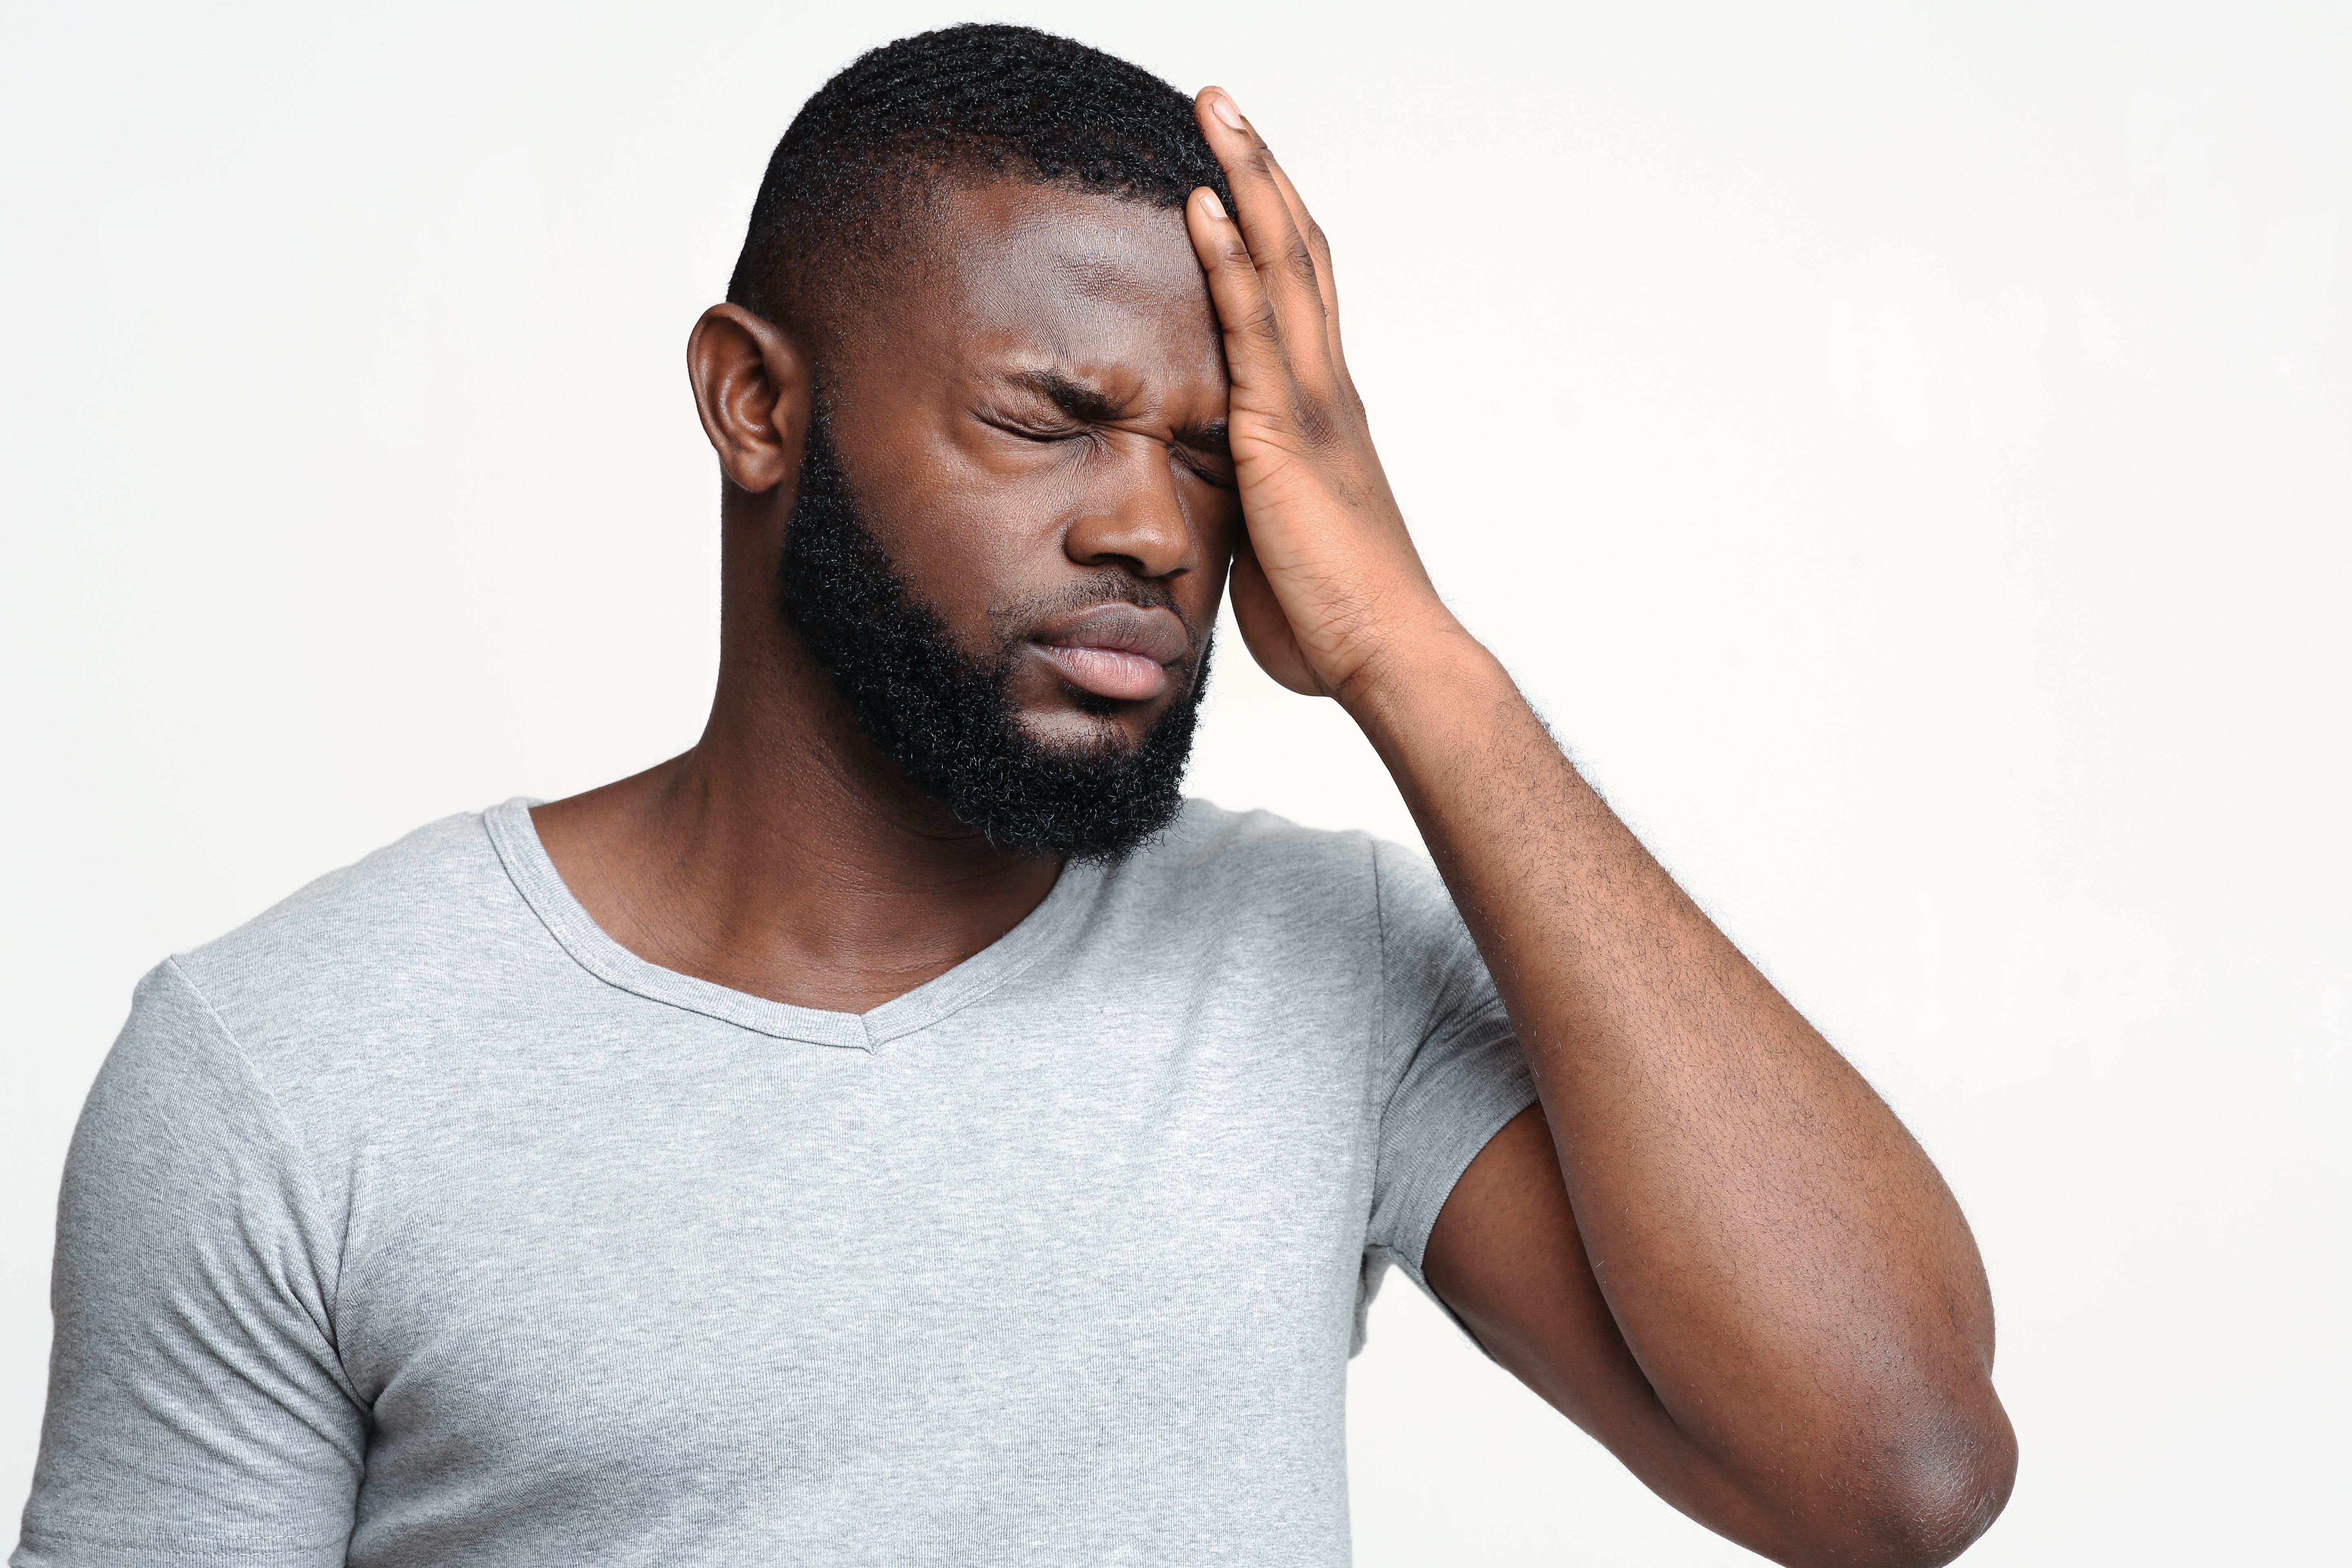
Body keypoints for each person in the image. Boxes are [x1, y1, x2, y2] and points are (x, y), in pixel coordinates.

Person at [13, 24, 2015, 1568]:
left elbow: (1897, 1467)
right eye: (1048, 420)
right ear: (756, 401)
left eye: (1217, 456)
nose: (1154, 524)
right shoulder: (292, 1066)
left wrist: (1418, 657)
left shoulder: (1317, 973)